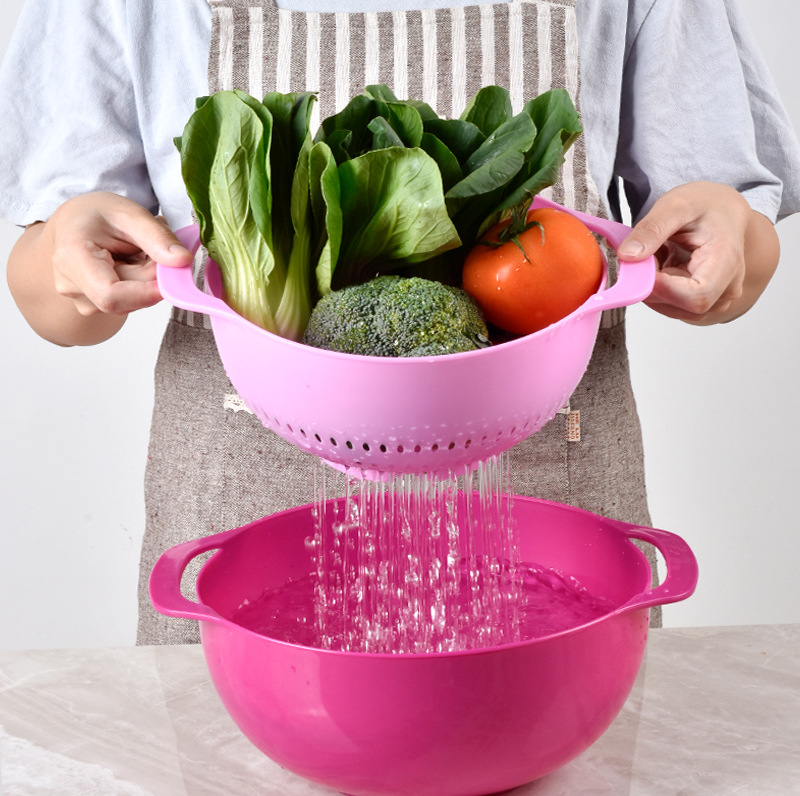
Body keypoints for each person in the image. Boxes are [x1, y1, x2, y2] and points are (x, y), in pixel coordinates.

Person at [2, 0, 799, 644]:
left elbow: (736, 247)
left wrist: (734, 241)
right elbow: (55, 303)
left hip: (555, 517)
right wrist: (68, 263)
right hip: (235, 521)